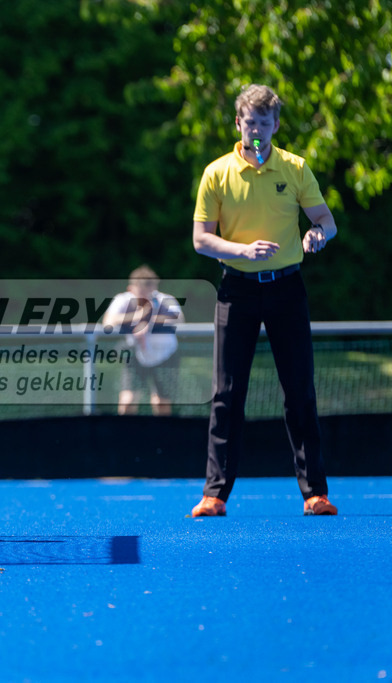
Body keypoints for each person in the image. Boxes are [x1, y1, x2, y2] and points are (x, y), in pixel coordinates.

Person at [190, 84, 339, 517]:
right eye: (249, 122)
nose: (256, 129)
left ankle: (315, 493)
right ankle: (214, 494)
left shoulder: (294, 168)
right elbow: (201, 240)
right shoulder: (216, 173)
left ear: (275, 125)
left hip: (286, 289)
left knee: (299, 390)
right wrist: (241, 251)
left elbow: (326, 220)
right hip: (236, 290)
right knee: (226, 394)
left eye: (264, 122)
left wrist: (317, 234)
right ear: (238, 123)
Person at [102, 265, 184, 416]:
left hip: (165, 355)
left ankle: (162, 437)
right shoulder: (123, 300)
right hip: (136, 354)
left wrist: (150, 319)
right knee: (127, 401)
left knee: (161, 402)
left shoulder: (165, 299)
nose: (146, 294)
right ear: (131, 288)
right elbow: (108, 321)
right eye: (142, 290)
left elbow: (179, 318)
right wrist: (137, 316)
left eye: (150, 289)